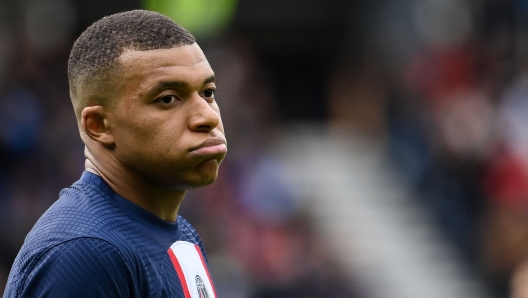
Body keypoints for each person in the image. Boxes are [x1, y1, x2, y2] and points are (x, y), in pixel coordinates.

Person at [3, 9, 226, 297]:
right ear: (98, 126)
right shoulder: (85, 250)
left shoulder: (181, 234)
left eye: (208, 92)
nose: (206, 116)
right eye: (168, 98)